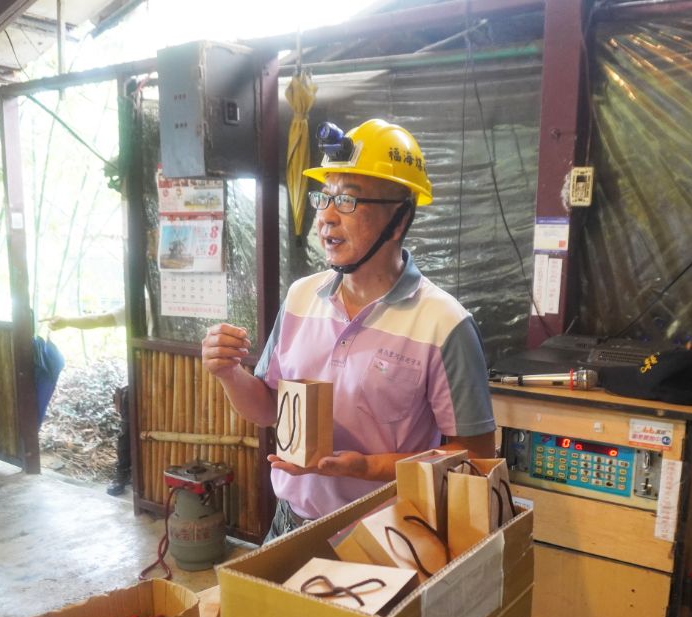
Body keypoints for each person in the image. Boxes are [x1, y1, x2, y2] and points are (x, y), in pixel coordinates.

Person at [201, 118, 496, 542]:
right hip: (291, 524)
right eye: (325, 198)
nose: (327, 218)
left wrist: (368, 467)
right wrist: (229, 373)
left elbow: (475, 458)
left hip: (388, 537)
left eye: (349, 202)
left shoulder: (444, 324)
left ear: (399, 221)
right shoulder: (302, 297)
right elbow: (269, 409)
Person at [46, 306, 131, 496]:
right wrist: (67, 321)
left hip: (164, 378)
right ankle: (122, 473)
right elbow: (100, 319)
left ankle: (130, 474)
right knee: (128, 431)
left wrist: (66, 321)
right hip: (138, 379)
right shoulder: (143, 304)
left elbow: (100, 319)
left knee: (131, 431)